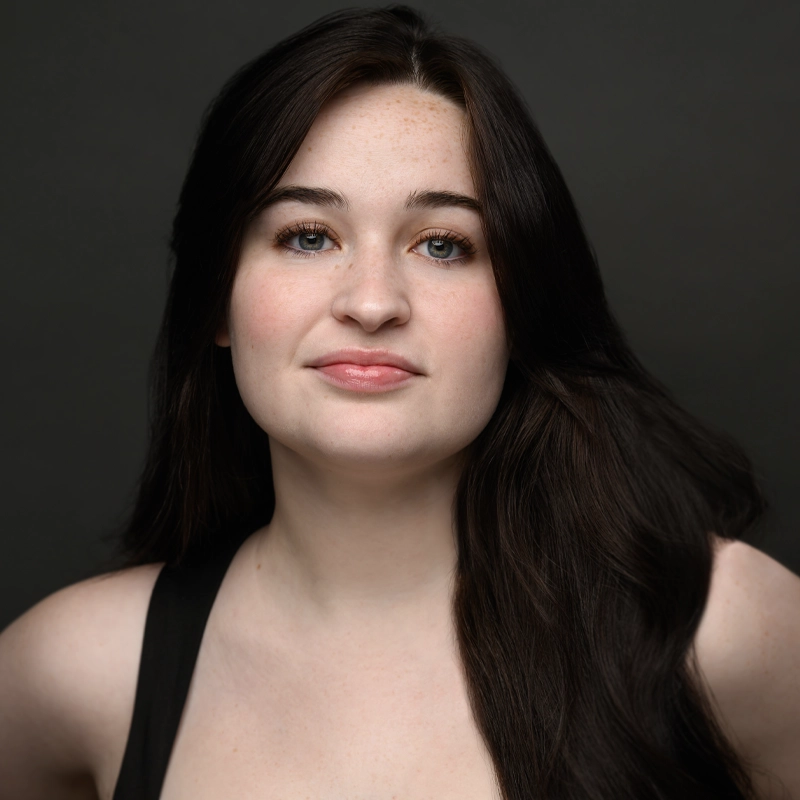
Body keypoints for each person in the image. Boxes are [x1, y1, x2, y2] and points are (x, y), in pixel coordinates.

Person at [1, 5, 798, 799]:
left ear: (522, 305)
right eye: (308, 236)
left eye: (443, 245)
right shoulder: (71, 675)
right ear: (217, 299)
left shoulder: (722, 629)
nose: (374, 303)